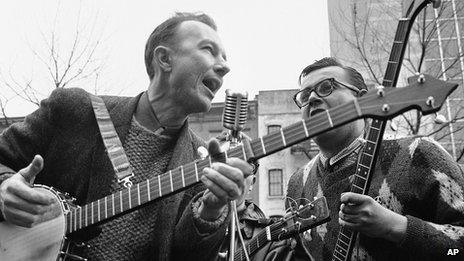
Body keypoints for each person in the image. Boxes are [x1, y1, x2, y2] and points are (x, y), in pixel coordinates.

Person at [0, 12, 252, 261]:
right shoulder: (73, 110)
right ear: (164, 59)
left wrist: (211, 209)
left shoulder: (204, 162)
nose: (224, 66)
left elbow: (187, 255)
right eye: (209, 50)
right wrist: (4, 189)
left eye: (225, 57)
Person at [273, 57, 464, 260]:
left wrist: (396, 227)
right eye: (304, 95)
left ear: (362, 100)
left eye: (326, 86)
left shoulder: (418, 153)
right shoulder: (297, 183)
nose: (312, 98)